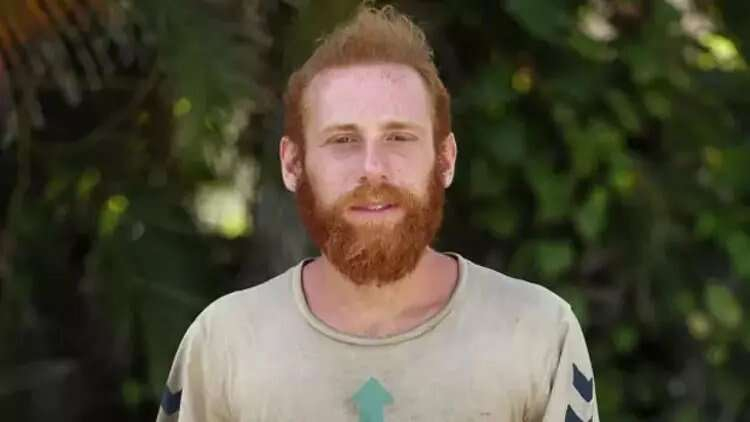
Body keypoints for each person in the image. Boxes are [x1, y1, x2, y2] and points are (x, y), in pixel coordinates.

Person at [157, 5, 599, 422]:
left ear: (445, 159)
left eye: (399, 138)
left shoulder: (538, 334)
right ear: (293, 164)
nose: (372, 168)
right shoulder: (224, 343)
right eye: (343, 140)